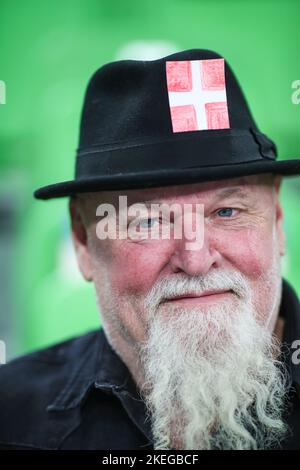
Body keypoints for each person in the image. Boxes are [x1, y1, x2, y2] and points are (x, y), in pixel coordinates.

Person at [0, 49, 300, 450]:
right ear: (83, 241)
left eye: (226, 211)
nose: (195, 260)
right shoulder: (11, 417)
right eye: (148, 221)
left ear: (277, 219)